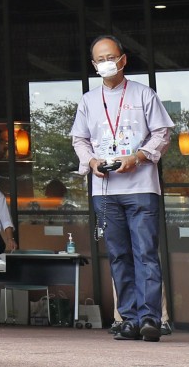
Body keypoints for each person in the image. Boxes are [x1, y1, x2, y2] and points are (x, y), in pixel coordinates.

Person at [70, 35, 173, 342]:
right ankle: (128, 319)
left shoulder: (144, 95)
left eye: (110, 57)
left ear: (123, 59)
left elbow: (162, 134)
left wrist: (138, 157)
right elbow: (79, 139)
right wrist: (91, 163)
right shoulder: (88, 101)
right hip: (105, 190)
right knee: (118, 255)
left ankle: (150, 318)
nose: (106, 64)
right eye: (99, 60)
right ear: (93, 65)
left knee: (145, 253)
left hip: (141, 186)